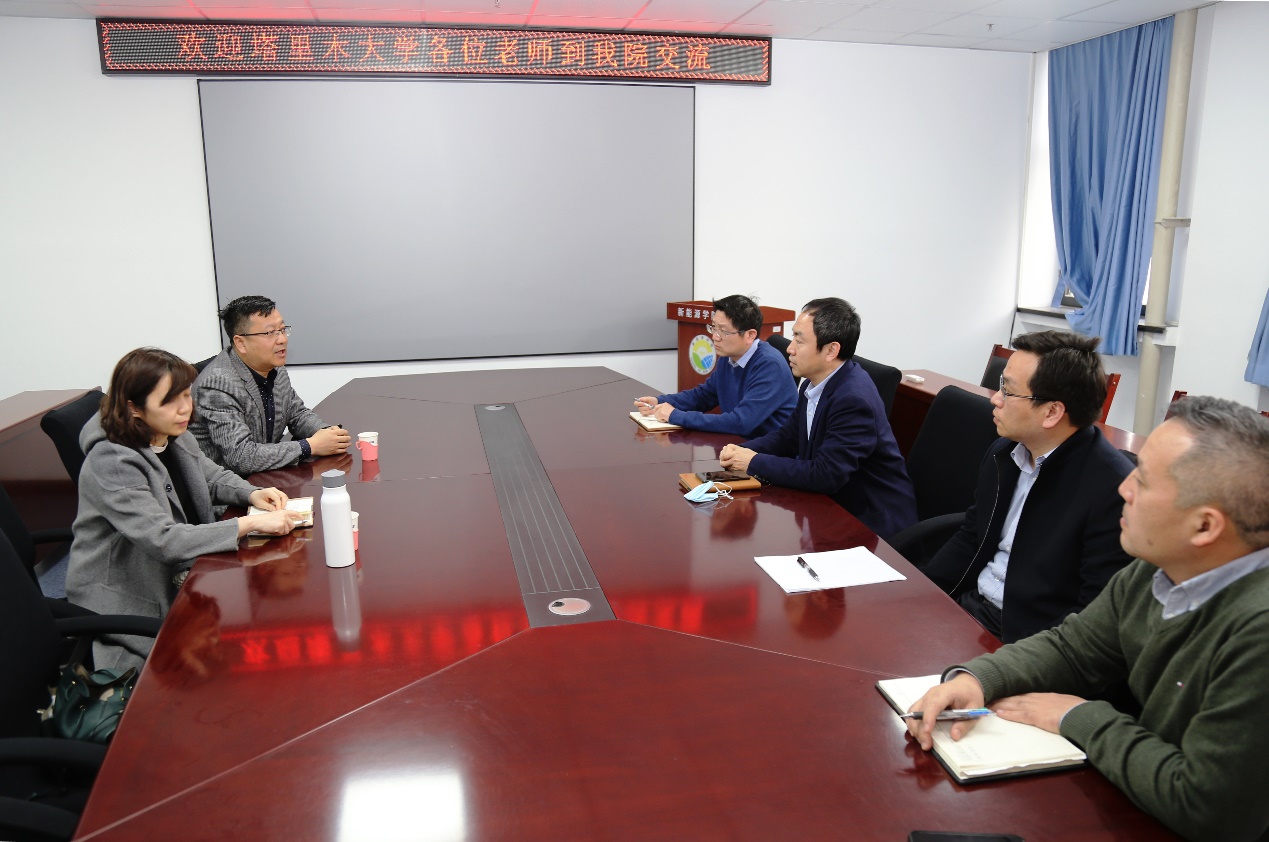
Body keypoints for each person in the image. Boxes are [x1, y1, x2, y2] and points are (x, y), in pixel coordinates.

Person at [906, 397, 1269, 842]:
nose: (1124, 489)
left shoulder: (1258, 631)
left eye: (1143, 481)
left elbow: (1207, 808)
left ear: (1205, 527)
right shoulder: (1159, 568)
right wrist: (976, 679)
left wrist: (1078, 716)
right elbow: (1073, 648)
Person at [67, 348, 306, 672]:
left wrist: (253, 493)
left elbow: (211, 476)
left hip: (182, 570)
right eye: (169, 401)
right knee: (186, 672)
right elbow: (164, 539)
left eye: (185, 394)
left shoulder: (169, 432)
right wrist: (249, 525)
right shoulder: (112, 461)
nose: (184, 408)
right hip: (128, 592)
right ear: (133, 408)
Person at [921, 331, 1134, 642]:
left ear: (1052, 412)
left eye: (1008, 391)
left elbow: (1093, 615)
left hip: (1026, 641)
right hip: (970, 609)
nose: (995, 398)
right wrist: (921, 596)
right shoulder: (1005, 452)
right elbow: (972, 535)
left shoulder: (1112, 490)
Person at [719, 297, 916, 540]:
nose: (790, 348)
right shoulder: (813, 383)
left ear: (831, 350)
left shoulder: (853, 399)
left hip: (870, 523)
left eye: (799, 341)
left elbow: (825, 475)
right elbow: (788, 437)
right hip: (831, 507)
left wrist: (753, 461)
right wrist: (741, 450)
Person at [191, 295, 350, 475]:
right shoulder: (217, 385)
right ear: (241, 343)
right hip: (230, 486)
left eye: (282, 330)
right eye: (270, 333)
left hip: (267, 475)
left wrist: (327, 433)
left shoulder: (274, 368)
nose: (282, 339)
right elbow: (241, 456)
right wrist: (309, 446)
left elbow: (296, 413)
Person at [634, 295, 797, 437]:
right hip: (736, 445)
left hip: (764, 452)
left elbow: (741, 422)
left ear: (750, 335)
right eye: (713, 327)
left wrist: (675, 415)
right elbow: (704, 396)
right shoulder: (729, 356)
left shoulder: (769, 365)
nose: (715, 337)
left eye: (723, 331)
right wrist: (659, 401)